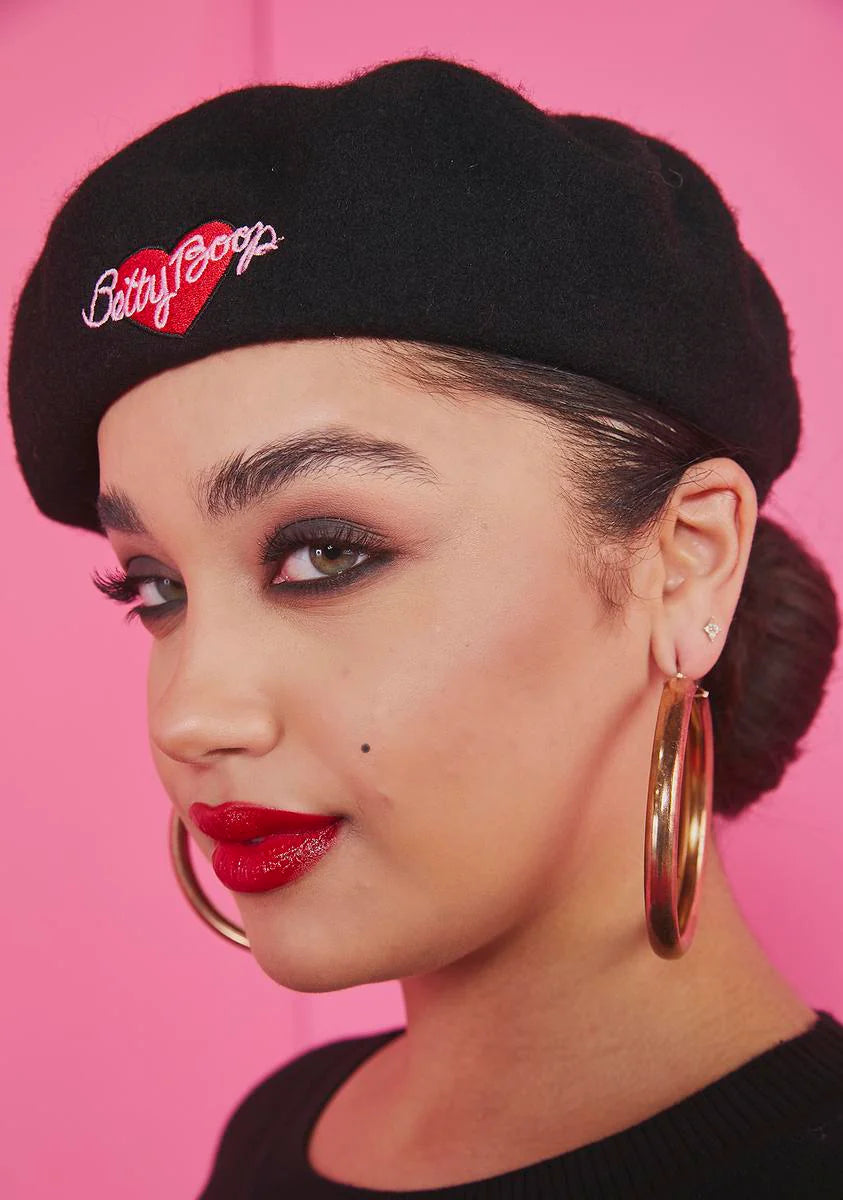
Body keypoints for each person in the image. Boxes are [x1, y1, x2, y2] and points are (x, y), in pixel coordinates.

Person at [8, 54, 843, 1199]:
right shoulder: (284, 1129)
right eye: (155, 587)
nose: (191, 715)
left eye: (325, 554)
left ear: (687, 562)